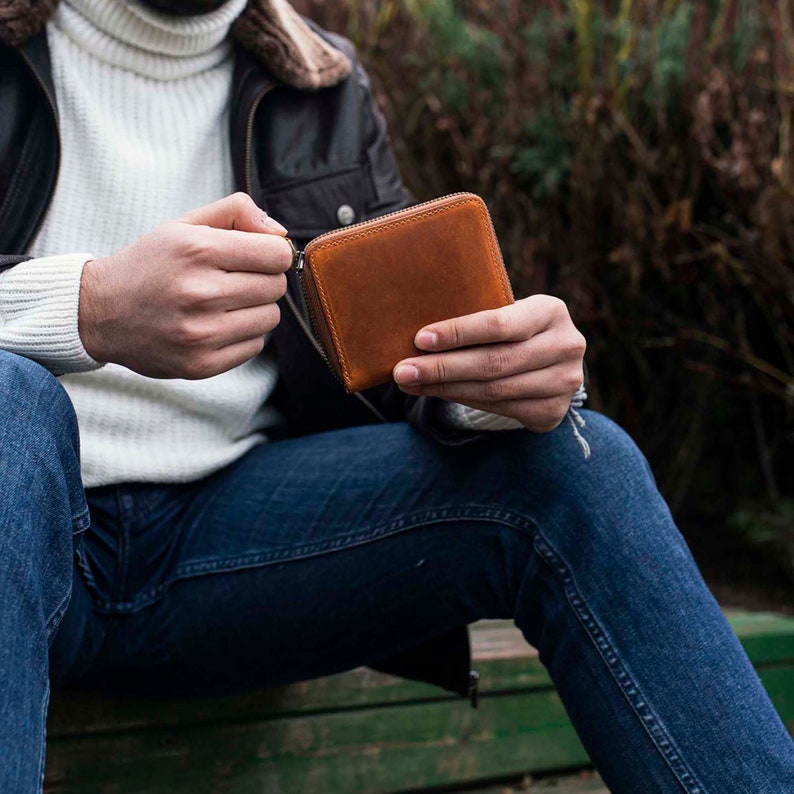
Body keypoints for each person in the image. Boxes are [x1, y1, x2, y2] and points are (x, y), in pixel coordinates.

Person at [0, 0, 792, 791]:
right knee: (10, 403)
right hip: (25, 530)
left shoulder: (320, 82)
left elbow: (392, 361)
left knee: (584, 462)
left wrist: (494, 386)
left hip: (224, 551)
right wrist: (88, 308)